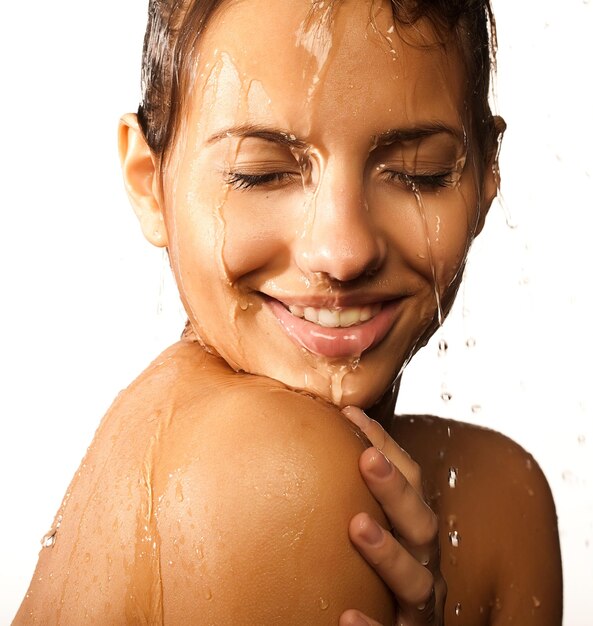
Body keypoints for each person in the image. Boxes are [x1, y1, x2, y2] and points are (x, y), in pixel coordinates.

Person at [13, 0, 563, 624]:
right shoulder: (270, 480)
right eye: (262, 174)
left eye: (418, 173)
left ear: (487, 172)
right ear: (148, 179)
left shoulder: (501, 496)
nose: (344, 251)